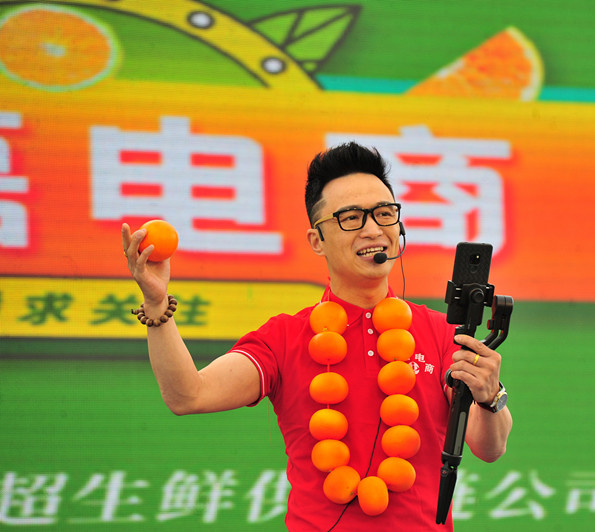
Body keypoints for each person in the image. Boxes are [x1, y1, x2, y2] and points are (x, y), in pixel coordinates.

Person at [122, 142, 512, 531]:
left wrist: (490, 395)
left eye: (384, 213)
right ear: (316, 241)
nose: (373, 229)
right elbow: (188, 395)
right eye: (350, 218)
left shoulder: (443, 333)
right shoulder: (284, 337)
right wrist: (157, 308)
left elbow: (489, 448)